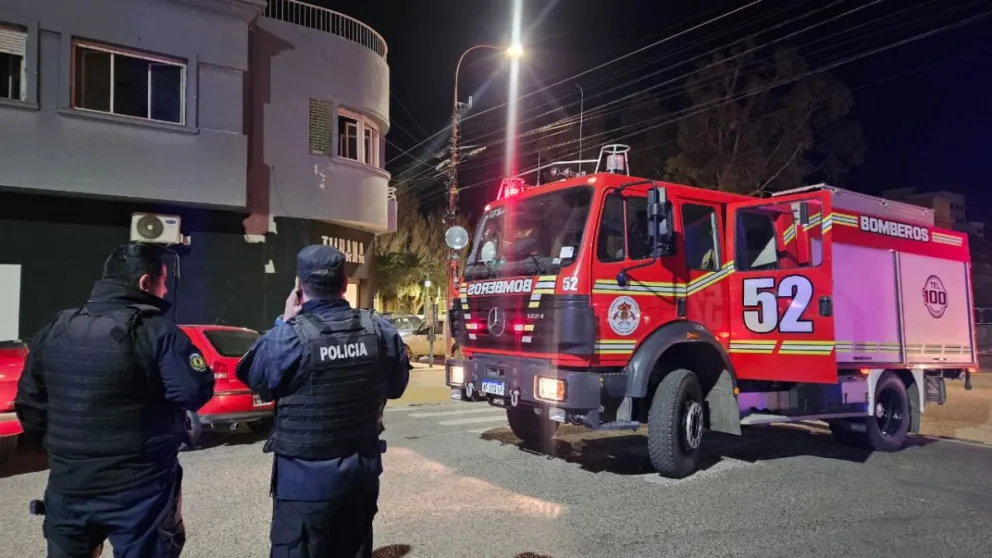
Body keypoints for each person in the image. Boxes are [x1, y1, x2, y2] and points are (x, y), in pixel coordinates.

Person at [14, 243, 216, 558]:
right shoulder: (158, 331)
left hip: (70, 485)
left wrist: (63, 452)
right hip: (140, 490)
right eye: (163, 283)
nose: (164, 291)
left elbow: (29, 403)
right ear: (145, 283)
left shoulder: (56, 327)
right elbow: (194, 392)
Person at [236, 244, 410, 558]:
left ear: (299, 288)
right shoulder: (380, 331)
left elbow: (257, 380)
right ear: (345, 284)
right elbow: (397, 387)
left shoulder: (288, 337)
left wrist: (283, 322)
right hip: (360, 477)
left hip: (304, 485)